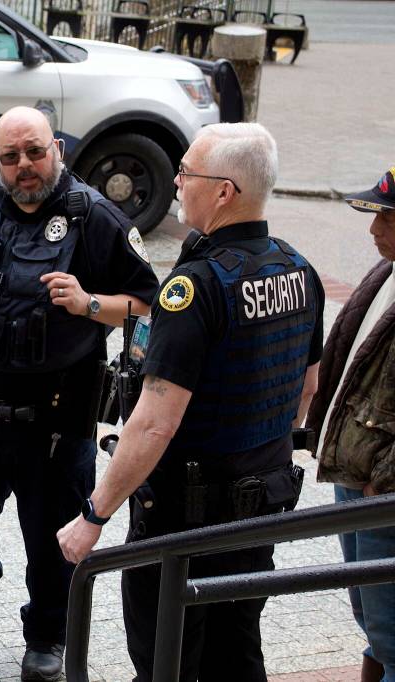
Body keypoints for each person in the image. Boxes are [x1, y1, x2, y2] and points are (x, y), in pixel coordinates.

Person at [57, 122, 325, 682]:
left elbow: (154, 425)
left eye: (186, 172)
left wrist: (93, 515)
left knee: (166, 661)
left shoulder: (193, 289)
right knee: (237, 651)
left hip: (183, 521)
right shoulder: (300, 270)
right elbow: (304, 391)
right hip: (260, 510)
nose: (176, 182)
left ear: (224, 191)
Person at [0, 106, 159, 681]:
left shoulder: (96, 217)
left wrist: (88, 304)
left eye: (34, 151)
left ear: (55, 147)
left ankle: (49, 635)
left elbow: (151, 304)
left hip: (56, 415)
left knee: (52, 535)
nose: (23, 166)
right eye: (10, 156)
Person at [305, 166, 395, 682]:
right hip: (355, 480)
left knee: (391, 628)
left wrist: (381, 477)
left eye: (386, 215)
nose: (373, 227)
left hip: (381, 491)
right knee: (372, 621)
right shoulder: (385, 272)